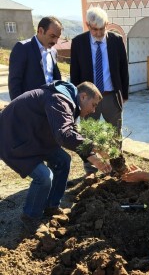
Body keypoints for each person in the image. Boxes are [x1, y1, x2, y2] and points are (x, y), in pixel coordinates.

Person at [0, 80, 112, 234]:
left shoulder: (66, 101)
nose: (94, 111)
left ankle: (51, 206)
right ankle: (31, 217)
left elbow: (71, 132)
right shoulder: (59, 99)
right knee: (44, 177)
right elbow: (64, 135)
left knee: (63, 160)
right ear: (84, 96)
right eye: (94, 105)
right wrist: (96, 147)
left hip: (35, 138)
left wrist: (92, 155)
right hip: (14, 140)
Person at [70, 6, 129, 174]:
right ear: (88, 25)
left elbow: (123, 68)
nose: (98, 33)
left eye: (102, 29)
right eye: (94, 29)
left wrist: (123, 93)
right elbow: (75, 73)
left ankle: (117, 167)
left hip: (111, 96)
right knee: (88, 135)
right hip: (88, 99)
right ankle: (90, 170)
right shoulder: (78, 42)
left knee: (115, 134)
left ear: (107, 24)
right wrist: (77, 100)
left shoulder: (116, 41)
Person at [9, 16, 63, 100]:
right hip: (30, 106)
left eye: (57, 37)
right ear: (41, 31)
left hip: (50, 106)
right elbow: (14, 82)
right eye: (52, 36)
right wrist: (19, 108)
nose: (55, 41)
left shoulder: (53, 51)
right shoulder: (23, 48)